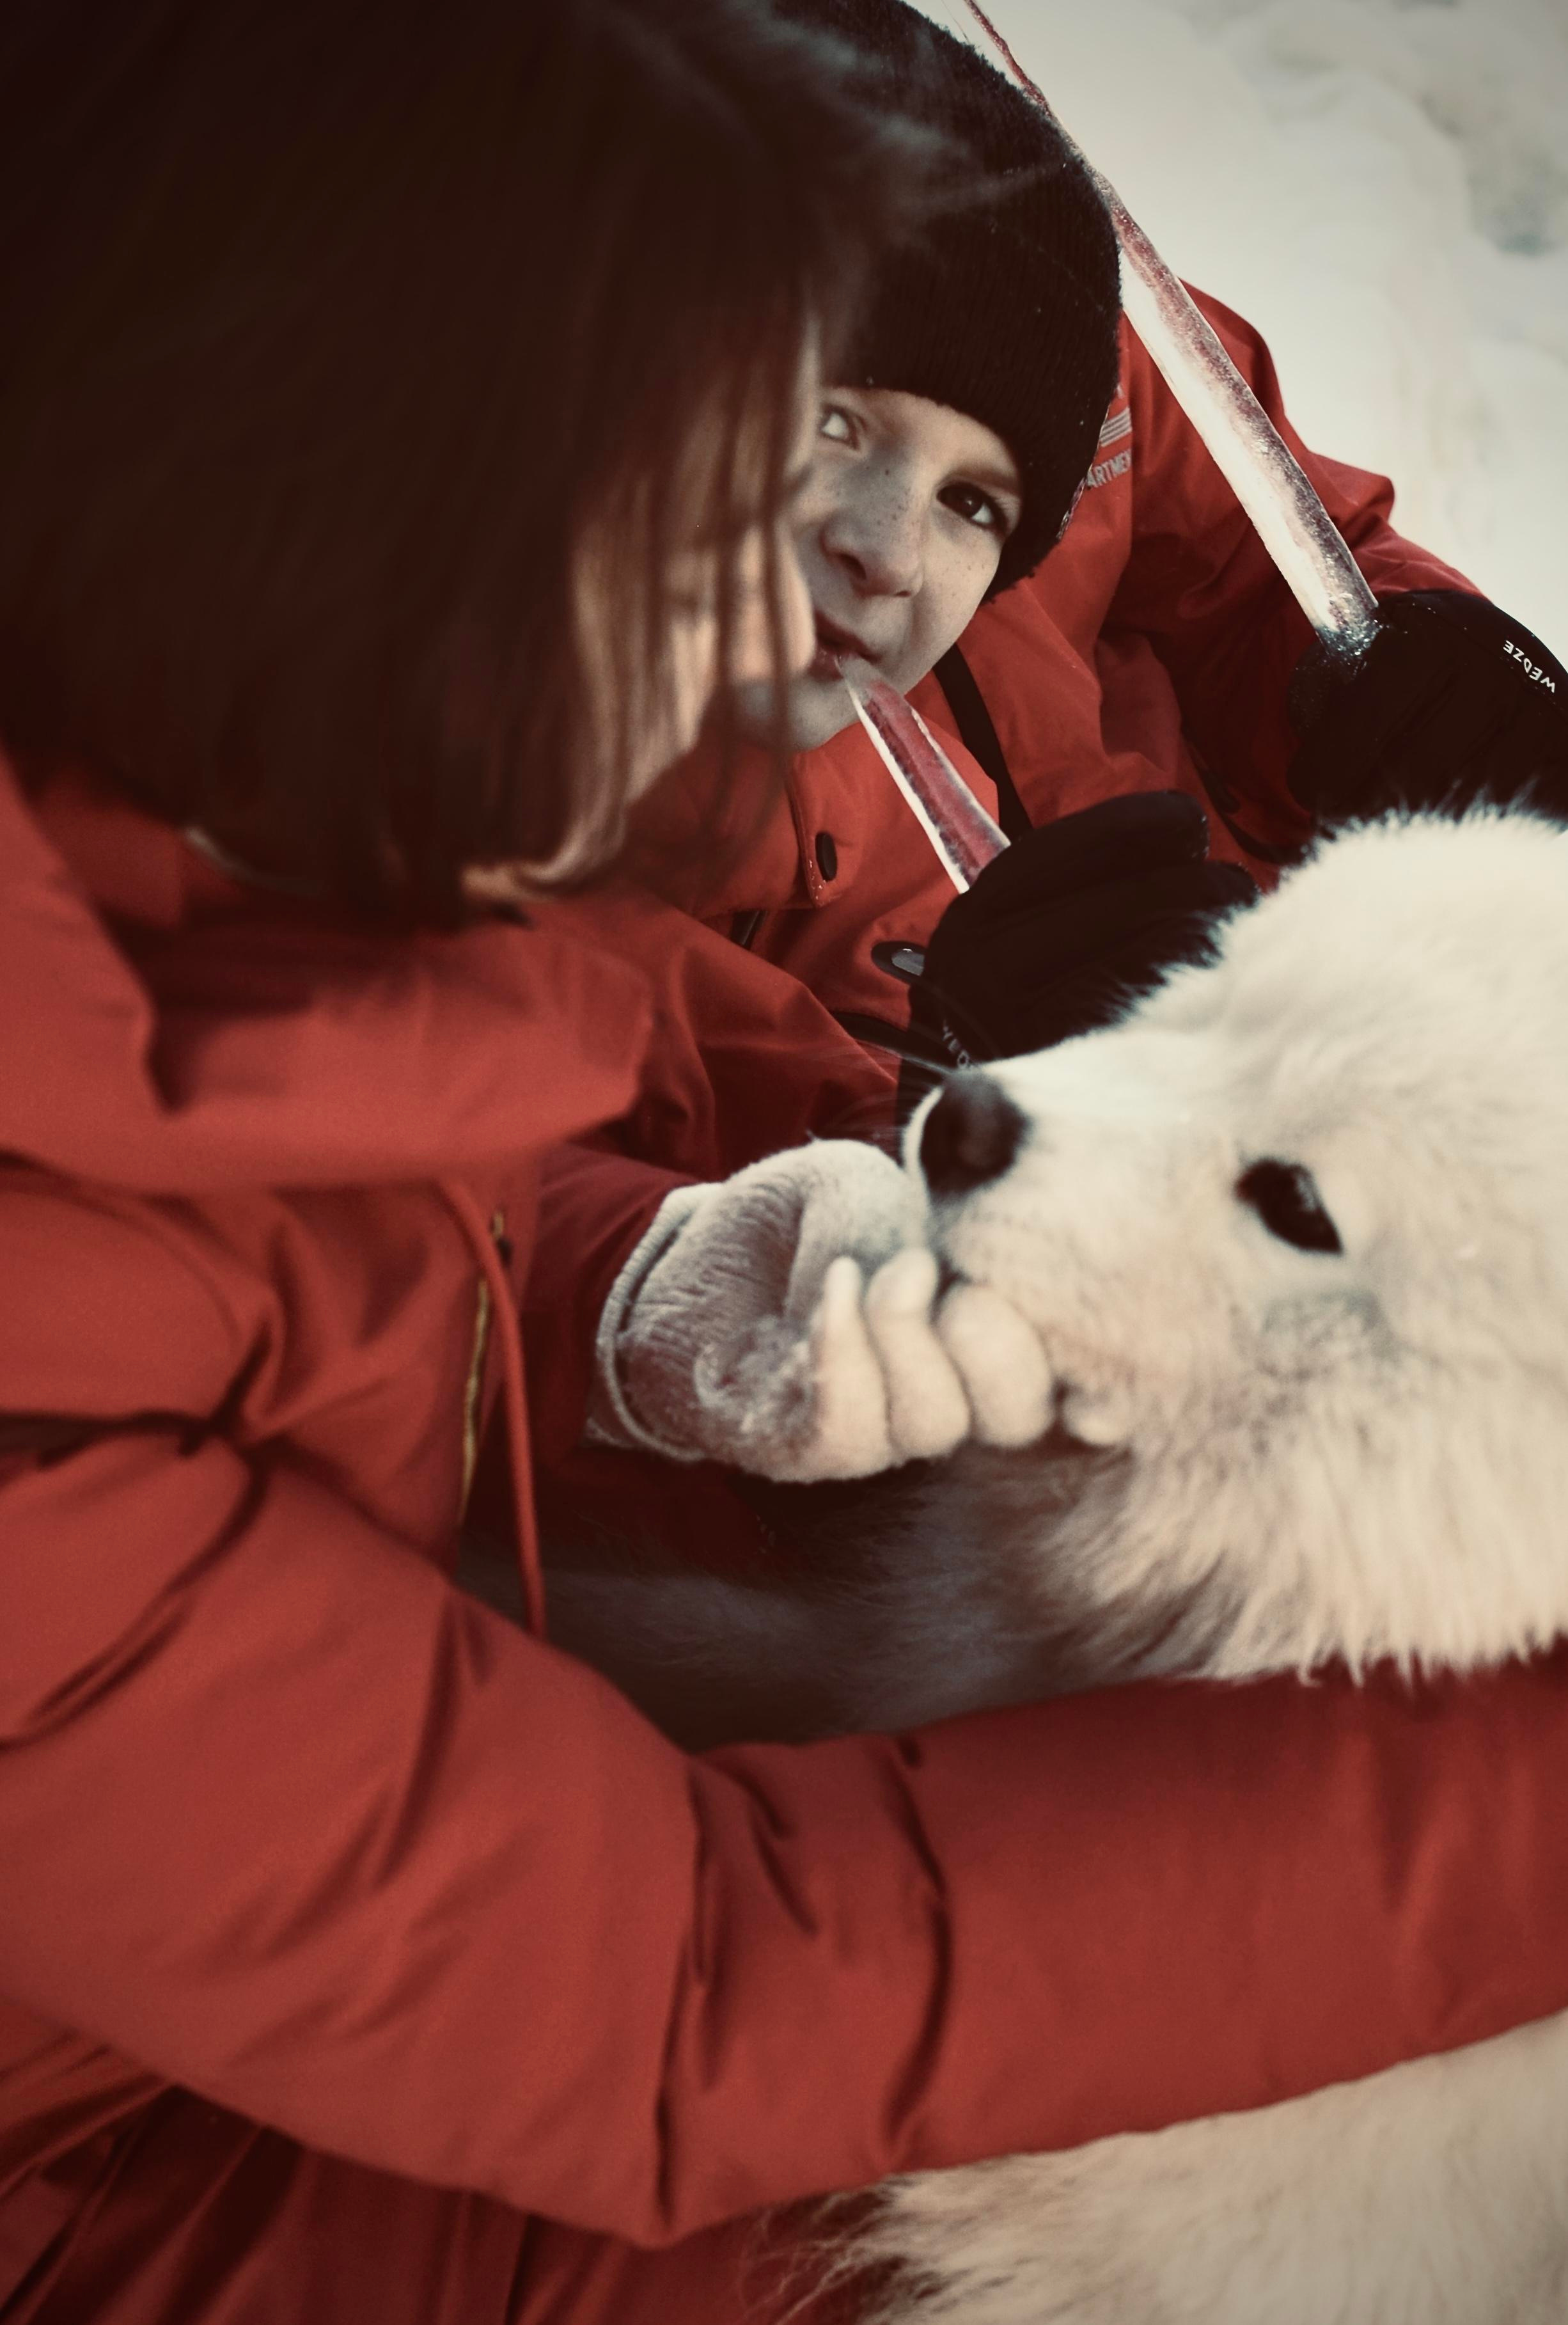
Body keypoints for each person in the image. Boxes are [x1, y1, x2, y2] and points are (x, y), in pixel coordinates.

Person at [4, 10, 1568, 2325]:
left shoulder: (277, 830)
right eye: (709, 467)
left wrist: (617, 1290)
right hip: (128, 2178)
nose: (812, 595)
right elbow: (674, 1997)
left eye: (959, 497)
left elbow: (255, 1188)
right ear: (307, 469)